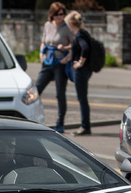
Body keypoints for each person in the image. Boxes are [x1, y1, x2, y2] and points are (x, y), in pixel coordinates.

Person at [35, 2, 73, 133]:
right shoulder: (47, 25)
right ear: (52, 14)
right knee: (36, 90)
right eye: (56, 14)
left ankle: (60, 123)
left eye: (62, 14)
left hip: (59, 63)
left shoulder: (66, 28)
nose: (59, 17)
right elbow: (44, 42)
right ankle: (34, 119)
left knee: (60, 94)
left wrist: (66, 56)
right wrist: (41, 54)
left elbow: (74, 46)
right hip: (47, 62)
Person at [66, 11, 92, 136]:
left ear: (71, 23)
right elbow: (79, 46)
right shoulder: (83, 33)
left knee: (82, 98)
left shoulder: (79, 35)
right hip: (86, 70)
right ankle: (85, 125)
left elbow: (85, 48)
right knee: (83, 98)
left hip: (81, 71)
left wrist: (80, 62)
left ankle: (85, 126)